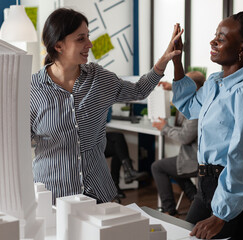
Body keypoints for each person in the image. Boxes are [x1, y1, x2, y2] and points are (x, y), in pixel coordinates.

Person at [30, 8, 183, 205]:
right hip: (53, 197)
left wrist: (164, 60)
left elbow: (139, 91)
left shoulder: (98, 78)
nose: (89, 44)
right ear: (59, 46)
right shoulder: (32, 89)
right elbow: (16, 142)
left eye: (88, 36)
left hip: (99, 193)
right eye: (80, 39)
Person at [171, 11, 243, 239]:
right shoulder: (214, 83)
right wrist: (177, 61)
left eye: (221, 38)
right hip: (206, 188)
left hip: (234, 194)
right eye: (215, 35)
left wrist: (221, 215)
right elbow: (189, 106)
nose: (213, 41)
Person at [151, 71, 205, 217]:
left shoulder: (197, 110)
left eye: (183, 86)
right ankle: (194, 199)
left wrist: (164, 128)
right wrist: (172, 87)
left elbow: (185, 137)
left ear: (192, 88)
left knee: (158, 167)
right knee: (176, 168)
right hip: (191, 157)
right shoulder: (193, 101)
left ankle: (169, 209)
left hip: (197, 160)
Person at [105, 131, 149, 199]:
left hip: (95, 138)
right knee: (118, 144)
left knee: (118, 145)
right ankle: (128, 173)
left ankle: (115, 186)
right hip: (87, 145)